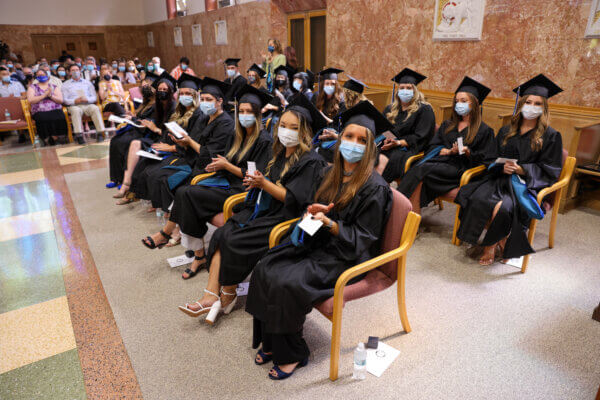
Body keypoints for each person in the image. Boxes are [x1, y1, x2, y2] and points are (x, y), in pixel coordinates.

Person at [245, 101, 394, 380]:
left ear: (371, 146)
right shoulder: (329, 173)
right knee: (266, 265)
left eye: (362, 140)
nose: (353, 143)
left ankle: (294, 353)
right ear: (340, 139)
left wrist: (331, 224)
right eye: (349, 136)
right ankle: (272, 341)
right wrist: (312, 213)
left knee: (288, 281)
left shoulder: (375, 188)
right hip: (317, 240)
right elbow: (313, 209)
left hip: (345, 255)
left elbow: (364, 238)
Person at [178, 92, 327, 321]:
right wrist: (258, 182)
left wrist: (263, 183)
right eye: (283, 125)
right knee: (223, 232)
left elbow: (293, 198)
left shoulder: (311, 161)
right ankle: (211, 295)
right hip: (264, 207)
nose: (286, 131)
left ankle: (227, 293)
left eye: (294, 127)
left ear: (305, 131)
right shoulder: (279, 153)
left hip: (284, 217)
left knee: (234, 240)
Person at [145, 85, 273, 279]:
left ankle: (168, 234)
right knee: (185, 192)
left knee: (187, 193)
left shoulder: (264, 140)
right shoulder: (237, 135)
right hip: (225, 182)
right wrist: (218, 165)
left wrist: (227, 166)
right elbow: (221, 157)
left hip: (242, 191)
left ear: (257, 115)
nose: (245, 115)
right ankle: (197, 254)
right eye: (242, 111)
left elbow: (255, 176)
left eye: (249, 112)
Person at [455, 74, 564, 265]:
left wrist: (522, 170)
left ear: (544, 108)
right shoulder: (507, 131)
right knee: (475, 197)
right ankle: (502, 240)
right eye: (528, 102)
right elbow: (491, 157)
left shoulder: (551, 136)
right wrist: (501, 166)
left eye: (537, 104)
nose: (531, 107)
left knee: (502, 207)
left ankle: (489, 245)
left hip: (525, 185)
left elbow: (551, 169)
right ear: (521, 104)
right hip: (499, 179)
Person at [397, 76, 496, 214]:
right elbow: (432, 146)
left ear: (474, 103)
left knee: (420, 170)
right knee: (419, 172)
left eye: (464, 101)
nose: (459, 104)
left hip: (461, 169)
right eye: (457, 101)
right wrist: (445, 151)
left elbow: (487, 160)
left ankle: (395, 206)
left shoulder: (484, 131)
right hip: (440, 162)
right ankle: (411, 217)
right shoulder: (448, 125)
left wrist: (468, 152)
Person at [133, 75, 224, 215]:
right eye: (181, 93)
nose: (184, 96)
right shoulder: (181, 112)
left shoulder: (201, 115)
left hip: (190, 156)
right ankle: (155, 202)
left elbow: (197, 142)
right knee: (148, 166)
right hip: (184, 151)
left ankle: (166, 211)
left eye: (188, 93)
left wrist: (176, 147)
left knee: (158, 174)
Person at [128, 74, 178, 207]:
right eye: (160, 89)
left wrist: (155, 128)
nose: (162, 92)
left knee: (147, 164)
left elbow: (169, 133)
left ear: (171, 91)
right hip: (160, 138)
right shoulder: (159, 106)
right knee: (140, 155)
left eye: (165, 90)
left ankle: (138, 194)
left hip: (168, 142)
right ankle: (129, 189)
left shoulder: (174, 108)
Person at [379, 68, 436, 182]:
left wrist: (398, 143)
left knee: (392, 158)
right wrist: (389, 140)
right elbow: (384, 127)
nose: (405, 91)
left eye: (409, 88)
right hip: (391, 145)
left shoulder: (424, 109)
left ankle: (381, 188)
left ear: (415, 91)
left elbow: (421, 136)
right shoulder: (390, 109)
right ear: (397, 90)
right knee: (371, 152)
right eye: (402, 88)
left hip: (409, 149)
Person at [108, 73, 158, 190]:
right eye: (143, 87)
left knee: (125, 143)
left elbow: (149, 121)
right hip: (136, 129)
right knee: (115, 141)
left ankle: (126, 179)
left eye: (147, 86)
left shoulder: (157, 104)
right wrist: (131, 116)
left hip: (145, 133)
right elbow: (139, 116)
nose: (144, 89)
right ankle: (116, 178)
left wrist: (134, 119)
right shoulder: (144, 102)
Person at [61, 64, 106, 144]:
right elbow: (64, 100)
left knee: (95, 108)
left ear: (80, 71)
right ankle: (79, 135)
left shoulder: (87, 83)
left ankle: (99, 133)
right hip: (74, 105)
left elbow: (94, 97)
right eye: (73, 70)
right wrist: (74, 101)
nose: (75, 72)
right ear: (69, 72)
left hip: (87, 104)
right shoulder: (65, 85)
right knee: (76, 110)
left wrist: (87, 99)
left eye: (77, 70)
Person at [26, 68, 68, 146]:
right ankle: (46, 138)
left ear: (47, 76)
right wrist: (44, 95)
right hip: (39, 110)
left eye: (42, 75)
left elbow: (60, 100)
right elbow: (31, 100)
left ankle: (56, 138)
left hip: (55, 108)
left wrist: (50, 95)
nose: (40, 76)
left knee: (58, 115)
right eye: (38, 75)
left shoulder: (54, 86)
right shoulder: (32, 87)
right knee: (43, 117)